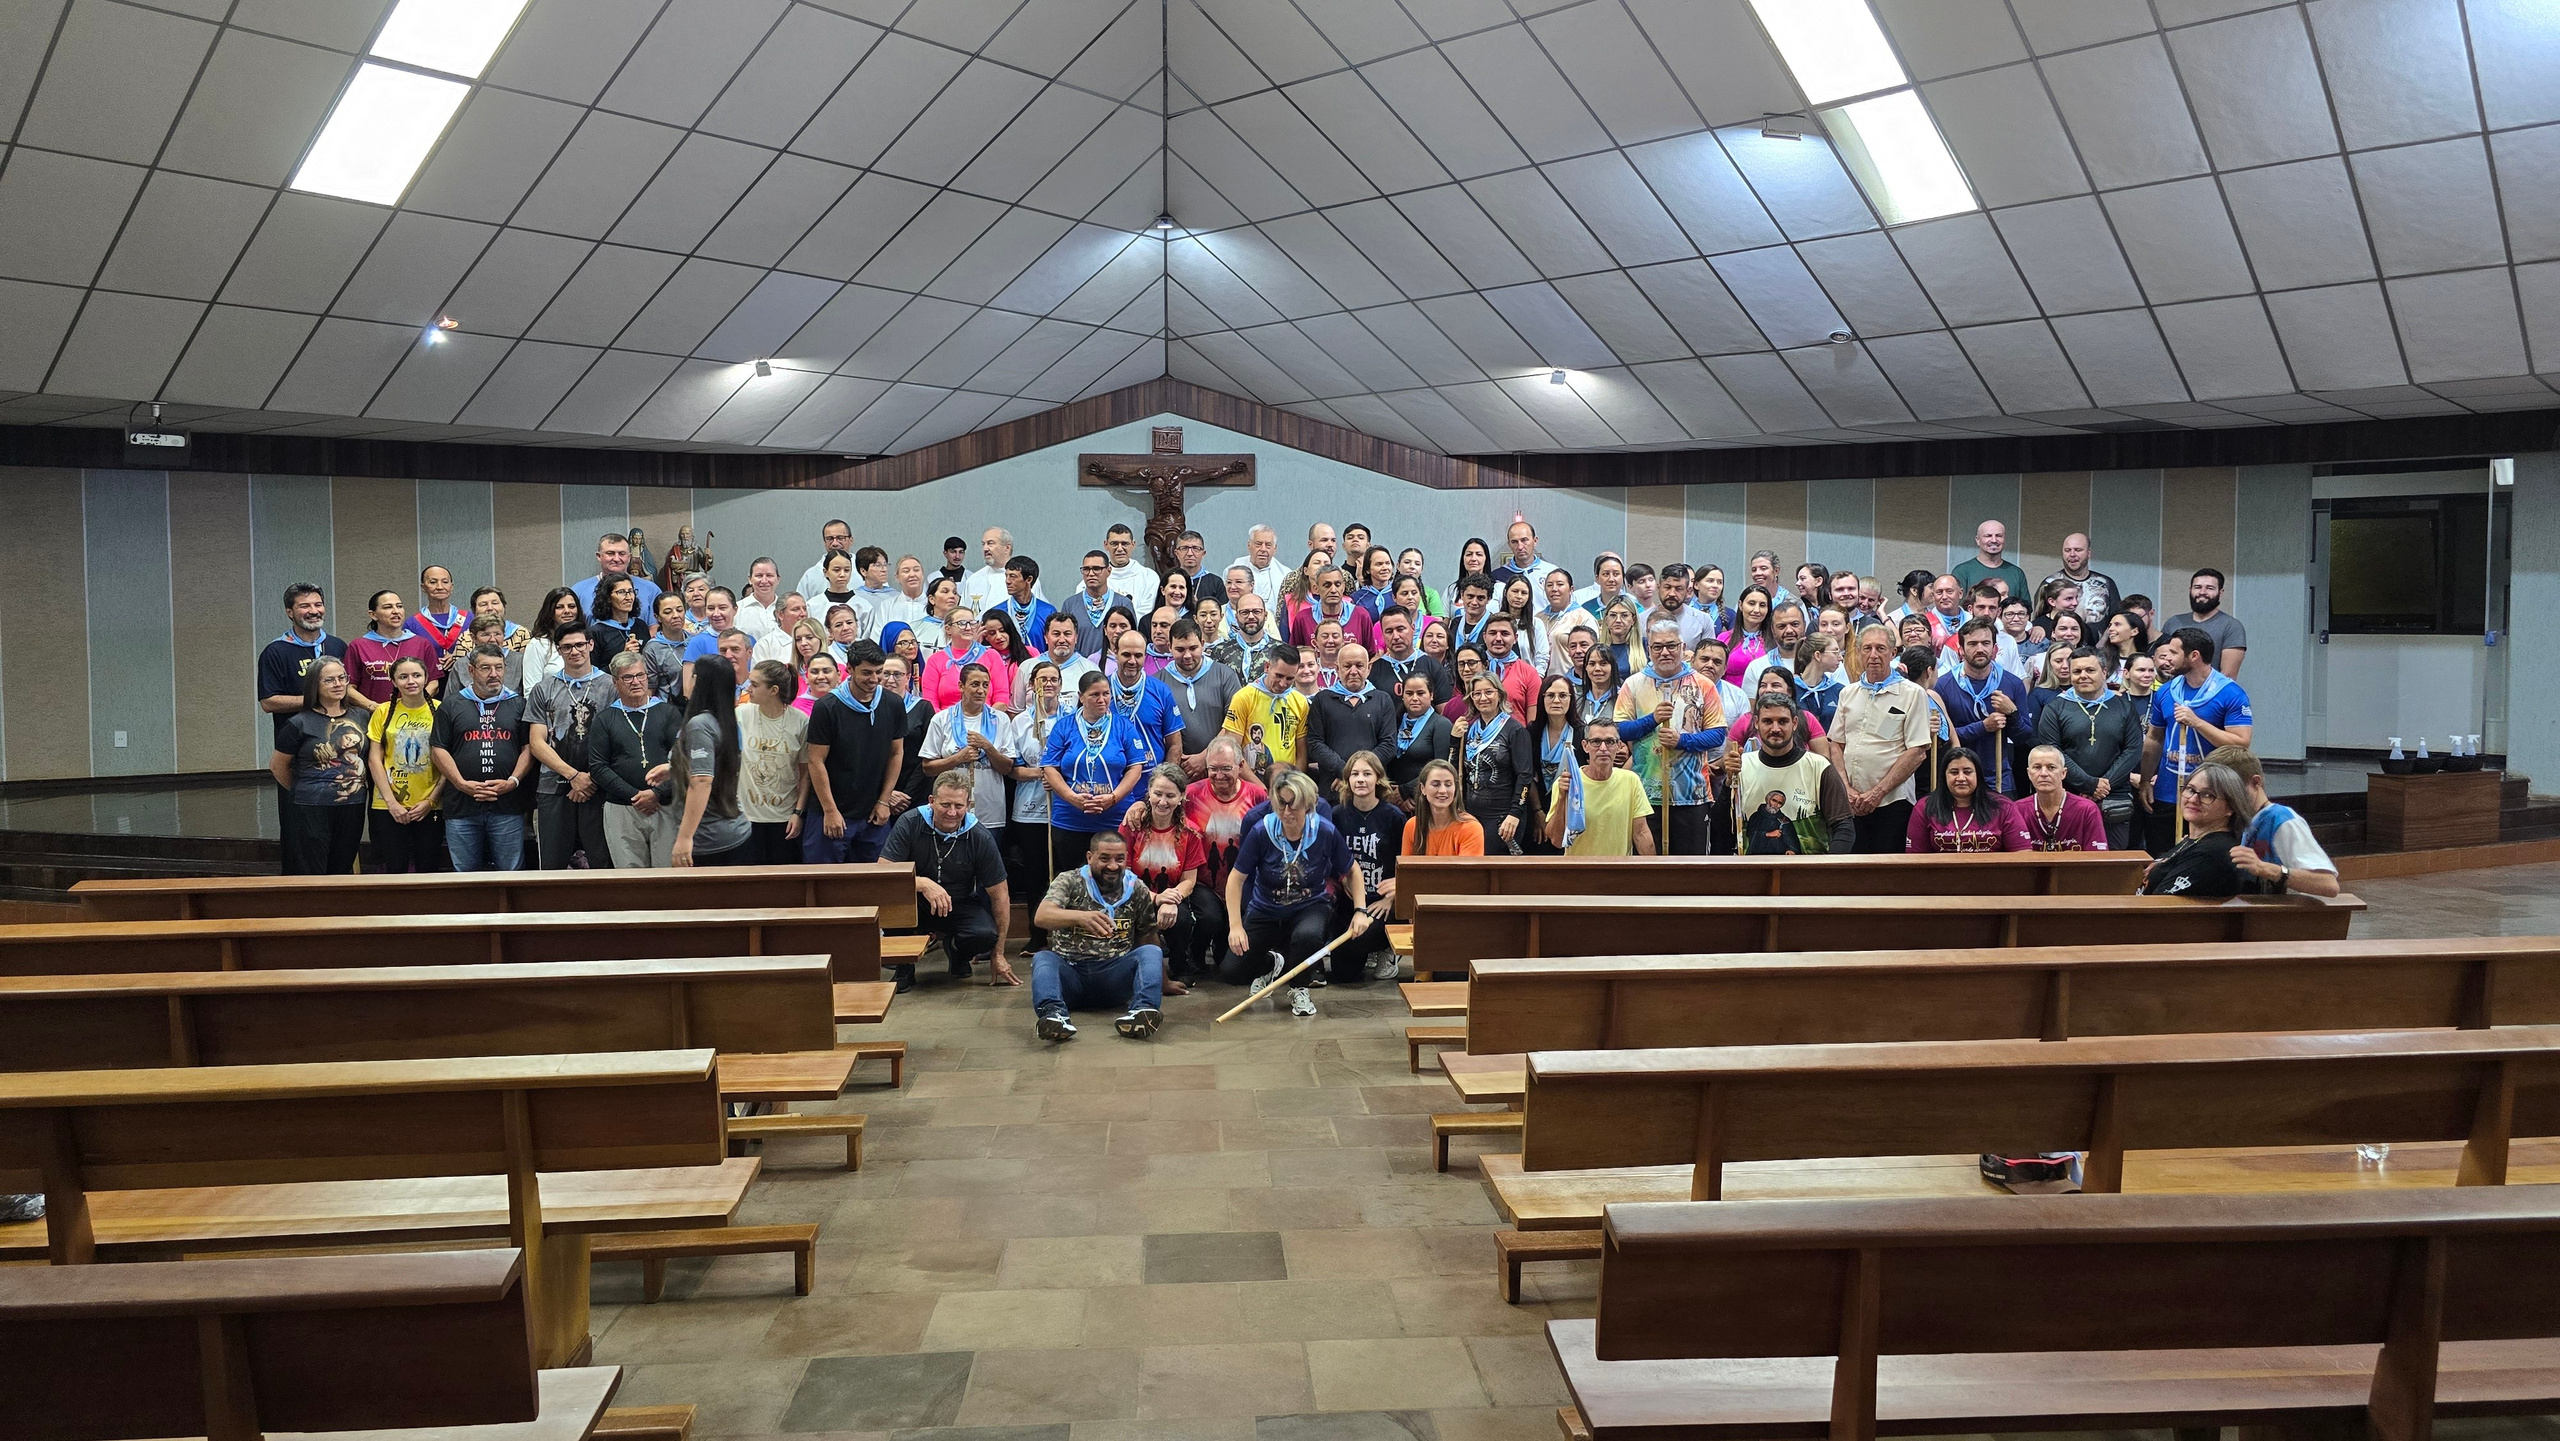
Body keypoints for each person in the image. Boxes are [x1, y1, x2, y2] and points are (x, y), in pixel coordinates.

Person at [1225, 769, 1371, 1010]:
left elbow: (1353, 870)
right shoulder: (1261, 831)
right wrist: (1235, 926)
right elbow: (1236, 879)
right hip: (1266, 908)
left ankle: (1299, 987)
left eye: (1294, 804)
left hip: (1310, 905)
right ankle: (1272, 964)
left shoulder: (1324, 831)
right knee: (1232, 971)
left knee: (1308, 936)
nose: (1286, 811)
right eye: (1281, 803)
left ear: (1308, 804)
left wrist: (1360, 910)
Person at [1030, 829, 1165, 1041]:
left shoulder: (1136, 887)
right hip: (1071, 974)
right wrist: (1080, 917)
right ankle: (1053, 1016)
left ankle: (1142, 1012)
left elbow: (1147, 935)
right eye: (1104, 858)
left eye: (1119, 859)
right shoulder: (1069, 880)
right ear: (1089, 857)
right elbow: (1041, 916)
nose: (1113, 866)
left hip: (1114, 977)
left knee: (1151, 951)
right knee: (1043, 958)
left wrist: (1162, 982)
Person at [887, 770, 1016, 990]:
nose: (952, 812)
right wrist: (922, 884)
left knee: (985, 934)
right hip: (915, 902)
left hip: (960, 902)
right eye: (945, 805)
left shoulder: (979, 836)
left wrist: (999, 953)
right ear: (932, 801)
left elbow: (1000, 895)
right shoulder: (909, 822)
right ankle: (904, 967)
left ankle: (957, 950)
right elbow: (883, 872)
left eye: (959, 806)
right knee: (891, 908)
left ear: (969, 804)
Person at [259, 583, 351, 874]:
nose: (313, 611)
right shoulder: (276, 651)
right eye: (304, 606)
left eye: (317, 604)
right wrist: (315, 700)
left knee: (342, 842)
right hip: (299, 757)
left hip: (339, 758)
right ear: (290, 612)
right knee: (302, 840)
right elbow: (268, 701)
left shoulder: (337, 646)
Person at [1615, 622, 1728, 855]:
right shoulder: (1633, 684)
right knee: (1648, 868)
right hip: (1645, 793)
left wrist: (1681, 741)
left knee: (1691, 868)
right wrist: (1652, 720)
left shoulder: (1703, 685)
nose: (1664, 652)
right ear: (1649, 650)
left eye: (1670, 646)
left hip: (1691, 793)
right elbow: (1621, 730)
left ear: (1683, 646)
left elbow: (1718, 734)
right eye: (1657, 647)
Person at [2140, 628, 2253, 854]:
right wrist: (2144, 780)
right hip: (2167, 792)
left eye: (2173, 652)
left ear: (2194, 656)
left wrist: (2197, 722)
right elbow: (2154, 738)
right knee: (2160, 857)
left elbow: (2241, 743)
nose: (2167, 657)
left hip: (2212, 794)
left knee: (2203, 859)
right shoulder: (2167, 691)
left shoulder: (2229, 693)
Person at [1833, 624, 1935, 853]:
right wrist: (1846, 789)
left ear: (1893, 653)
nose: (1873, 655)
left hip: (1892, 802)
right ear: (1858, 653)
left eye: (1880, 648)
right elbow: (1836, 745)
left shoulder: (1912, 694)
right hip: (1851, 802)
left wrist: (1876, 793)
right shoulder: (1847, 693)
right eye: (1867, 648)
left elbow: (1917, 751)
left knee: (1887, 873)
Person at [431, 644, 531, 871]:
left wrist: (513, 781)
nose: (493, 674)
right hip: (461, 805)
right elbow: (438, 748)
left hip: (508, 804)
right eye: (485, 668)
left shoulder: (519, 704)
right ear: (471, 670)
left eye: (499, 667)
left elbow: (528, 747)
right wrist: (460, 783)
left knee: (511, 872)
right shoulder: (451, 705)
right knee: (464, 873)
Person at [805, 639, 904, 863]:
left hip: (873, 815)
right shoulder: (827, 708)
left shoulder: (892, 704)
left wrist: (884, 800)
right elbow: (815, 761)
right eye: (866, 673)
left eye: (878, 672)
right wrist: (830, 810)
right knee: (824, 887)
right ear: (849, 669)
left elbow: (896, 753)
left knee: (875, 886)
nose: (874, 679)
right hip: (832, 812)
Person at [2033, 648, 2143, 851]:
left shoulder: (2124, 707)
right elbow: (2053, 753)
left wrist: (2104, 785)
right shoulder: (2055, 708)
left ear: (2104, 671)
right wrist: (2089, 784)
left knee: (2112, 862)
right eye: (2077, 671)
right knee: (2070, 858)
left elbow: (2133, 749)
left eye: (2089, 670)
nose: (2082, 676)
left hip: (2114, 797)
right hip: (2069, 795)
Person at [269, 658, 369, 874]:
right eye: (330, 680)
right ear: (315, 684)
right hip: (310, 806)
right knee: (312, 869)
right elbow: (278, 767)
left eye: (342, 678)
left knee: (342, 866)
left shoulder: (362, 716)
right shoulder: (299, 722)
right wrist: (304, 791)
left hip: (352, 803)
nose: (338, 684)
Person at [2204, 744, 2342, 898]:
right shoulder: (2236, 818)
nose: (2225, 798)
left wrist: (2265, 869)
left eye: (2231, 790)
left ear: (2256, 782)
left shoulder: (2282, 820)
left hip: (2265, 917)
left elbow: (2328, 885)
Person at [524, 623, 610, 869]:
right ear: (559, 651)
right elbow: (537, 742)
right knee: (552, 866)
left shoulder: (611, 686)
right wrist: (573, 776)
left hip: (598, 787)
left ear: (590, 645)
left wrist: (589, 779)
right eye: (567, 647)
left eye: (580, 645)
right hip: (553, 787)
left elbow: (617, 740)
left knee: (601, 864)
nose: (574, 651)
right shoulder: (544, 688)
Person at [590, 650, 683, 868]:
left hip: (665, 805)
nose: (636, 682)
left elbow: (682, 761)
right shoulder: (605, 719)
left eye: (640, 675)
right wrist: (636, 796)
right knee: (630, 879)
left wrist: (656, 793)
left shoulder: (668, 713)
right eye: (628, 677)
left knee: (667, 876)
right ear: (615, 682)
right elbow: (598, 767)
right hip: (622, 809)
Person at [1043, 671, 1149, 862]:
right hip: (1070, 819)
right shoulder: (1064, 726)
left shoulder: (1123, 726)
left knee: (1113, 881)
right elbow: (1050, 768)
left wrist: (1113, 798)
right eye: (1094, 694)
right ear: (1081, 696)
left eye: (1106, 693)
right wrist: (1071, 798)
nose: (1102, 699)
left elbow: (1135, 768)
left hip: (1115, 818)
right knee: (1073, 881)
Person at [1119, 765, 1207, 993]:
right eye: (1158, 794)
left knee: (1183, 919)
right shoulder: (1131, 826)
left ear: (1181, 797)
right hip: (1136, 895)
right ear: (1148, 792)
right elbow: (1124, 876)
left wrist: (1171, 900)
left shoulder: (1191, 832)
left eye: (1170, 795)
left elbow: (1189, 880)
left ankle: (1180, 966)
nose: (1163, 801)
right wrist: (1156, 898)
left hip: (1173, 895)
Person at [1732, 692, 1853, 853]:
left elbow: (1844, 828)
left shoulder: (1819, 767)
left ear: (1794, 723)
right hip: (1752, 872)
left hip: (1806, 874)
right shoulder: (1741, 766)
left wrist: (1826, 871)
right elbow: (1725, 828)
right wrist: (1728, 783)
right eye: (1767, 721)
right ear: (1756, 723)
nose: (1775, 729)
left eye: (1783, 721)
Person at [920, 657, 1015, 851]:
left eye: (985, 685)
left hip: (990, 809)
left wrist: (987, 746)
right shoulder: (942, 719)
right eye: (974, 684)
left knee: (987, 869)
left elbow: (1007, 768)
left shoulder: (1000, 720)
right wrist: (958, 758)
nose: (981, 690)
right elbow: (927, 768)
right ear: (961, 686)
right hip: (951, 811)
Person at [667, 655, 752, 869]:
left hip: (709, 840)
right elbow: (715, 763)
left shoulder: (699, 725)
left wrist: (685, 838)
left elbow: (702, 780)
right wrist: (673, 768)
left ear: (698, 681)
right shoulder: (725, 719)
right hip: (734, 833)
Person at [363, 655, 443, 873]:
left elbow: (449, 760)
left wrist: (431, 801)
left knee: (428, 868)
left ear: (426, 678)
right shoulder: (383, 711)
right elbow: (374, 759)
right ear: (394, 681)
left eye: (417, 675)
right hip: (388, 804)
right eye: (403, 676)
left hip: (429, 803)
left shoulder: (441, 710)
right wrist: (392, 804)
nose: (411, 681)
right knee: (394, 867)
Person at [1936, 618, 2031, 801]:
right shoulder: (1944, 685)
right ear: (1961, 651)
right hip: (1958, 778)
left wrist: (2012, 714)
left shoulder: (2012, 683)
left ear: (1995, 650)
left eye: (1986, 643)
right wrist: (1983, 727)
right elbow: (1942, 740)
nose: (1980, 649)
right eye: (1972, 644)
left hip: (1999, 778)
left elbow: (2023, 737)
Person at [1332, 750, 1405, 980]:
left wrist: (1390, 899)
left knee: (1359, 941)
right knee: (1344, 974)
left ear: (1378, 779)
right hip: (1349, 900)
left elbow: (1404, 863)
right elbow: (1330, 858)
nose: (1360, 779)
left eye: (1367, 773)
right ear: (1347, 780)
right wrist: (1342, 878)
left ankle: (1386, 948)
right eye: (1354, 774)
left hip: (1380, 902)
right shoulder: (1337, 815)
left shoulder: (1393, 817)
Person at [1007, 660, 1067, 934]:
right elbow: (1011, 768)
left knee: (1064, 870)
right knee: (1035, 873)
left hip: (1065, 806)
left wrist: (1057, 776)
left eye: (1054, 679)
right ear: (1032, 685)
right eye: (1042, 679)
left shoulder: (1072, 718)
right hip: (1030, 807)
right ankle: (1038, 934)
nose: (1049, 684)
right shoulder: (1019, 722)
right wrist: (1039, 774)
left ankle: (1065, 930)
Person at [1542, 718, 1654, 856]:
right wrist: (1561, 798)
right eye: (1596, 742)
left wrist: (1654, 874)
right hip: (1580, 872)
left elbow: (1641, 833)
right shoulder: (1569, 782)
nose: (1603, 748)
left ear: (1619, 745)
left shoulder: (1631, 781)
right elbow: (1557, 840)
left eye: (1610, 742)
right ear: (1585, 746)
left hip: (1618, 872)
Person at [2139, 761, 2251, 897]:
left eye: (2207, 795)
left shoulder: (2212, 852)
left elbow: (2160, 902)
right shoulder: (2195, 840)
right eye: (2190, 789)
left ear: (2231, 807)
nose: (2193, 799)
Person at [736, 659, 808, 866]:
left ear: (773, 690)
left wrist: (798, 813)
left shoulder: (800, 721)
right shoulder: (741, 714)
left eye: (755, 685)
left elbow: (805, 773)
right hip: (746, 817)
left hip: (784, 819)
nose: (748, 688)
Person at [1452, 672, 1530, 852]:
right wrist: (1454, 740)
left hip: (1503, 817)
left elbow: (1524, 775)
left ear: (1499, 694)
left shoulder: (1514, 730)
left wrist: (1515, 813)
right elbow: (1453, 770)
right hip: (1471, 815)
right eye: (1476, 694)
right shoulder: (1469, 729)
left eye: (1488, 692)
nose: (1483, 698)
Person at [1158, 619, 1240, 783]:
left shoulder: (1225, 675)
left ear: (1202, 644)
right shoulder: (1158, 682)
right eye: (1180, 649)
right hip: (1175, 774)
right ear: (1169, 648)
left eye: (1193, 648)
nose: (1187, 656)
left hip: (1218, 772)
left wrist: (1206, 757)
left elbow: (1234, 724)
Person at [1307, 641, 1392, 794]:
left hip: (1373, 790)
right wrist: (1344, 772)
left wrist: (1358, 774)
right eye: (1347, 666)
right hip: (1333, 787)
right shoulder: (1322, 700)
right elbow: (1315, 743)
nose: (1353, 671)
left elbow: (1389, 744)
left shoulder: (1383, 700)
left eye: (1359, 666)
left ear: (1368, 668)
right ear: (1337, 669)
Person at [1222, 643, 1310, 783]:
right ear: (1267, 667)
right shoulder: (1244, 697)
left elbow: (1301, 753)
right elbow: (1233, 750)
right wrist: (1260, 788)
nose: (1282, 684)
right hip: (1251, 782)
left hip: (1286, 783)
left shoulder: (1300, 701)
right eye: (1279, 676)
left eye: (1289, 679)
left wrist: (1294, 783)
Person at [1105, 630, 1185, 769]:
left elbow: (1175, 744)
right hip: (1112, 782)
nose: (1132, 661)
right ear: (1115, 653)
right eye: (1126, 654)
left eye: (1138, 655)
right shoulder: (1101, 691)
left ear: (1145, 656)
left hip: (1150, 783)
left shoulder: (1161, 691)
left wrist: (1164, 781)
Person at [1522, 673, 1583, 854]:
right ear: (1542, 699)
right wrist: (1538, 812)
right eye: (1550, 695)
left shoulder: (1582, 733)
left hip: (1571, 812)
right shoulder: (1531, 732)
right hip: (1537, 808)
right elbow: (1528, 775)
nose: (1556, 700)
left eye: (1563, 695)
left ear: (1571, 700)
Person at [2008, 744, 2110, 851]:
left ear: (2063, 773)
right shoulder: (2017, 810)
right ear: (2029, 773)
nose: (2043, 773)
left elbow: (2097, 859)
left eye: (2051, 767)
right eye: (2037, 767)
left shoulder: (2087, 810)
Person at [348, 590, 440, 706]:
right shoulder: (358, 646)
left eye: (399, 606)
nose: (396, 611)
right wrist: (373, 707)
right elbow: (349, 688)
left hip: (414, 716)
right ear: (373, 615)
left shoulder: (422, 644)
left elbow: (434, 683)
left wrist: (414, 703)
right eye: (387, 607)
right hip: (372, 716)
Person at [2164, 568, 2248, 677]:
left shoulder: (2231, 626)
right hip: (2172, 691)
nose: (2202, 592)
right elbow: (2162, 661)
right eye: (2197, 587)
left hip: (2211, 692)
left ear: (2220, 592)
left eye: (2210, 588)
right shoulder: (2173, 623)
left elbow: (2228, 675)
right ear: (2190, 590)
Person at [1382, 670, 1453, 799]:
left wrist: (1406, 792)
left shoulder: (1441, 725)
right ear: (1402, 695)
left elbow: (1441, 767)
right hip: (1391, 798)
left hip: (1423, 799)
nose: (1414, 698)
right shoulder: (1393, 722)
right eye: (1409, 693)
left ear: (1431, 695)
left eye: (1420, 693)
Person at [1402, 757, 1484, 858]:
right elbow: (1406, 871)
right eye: (1436, 784)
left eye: (1448, 784)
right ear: (1423, 789)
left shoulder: (1470, 827)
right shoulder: (1412, 825)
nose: (1442, 790)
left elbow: (1466, 873)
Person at [569, 532, 661, 620]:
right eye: (610, 553)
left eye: (622, 554)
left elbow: (655, 627)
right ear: (598, 556)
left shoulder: (651, 590)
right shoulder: (579, 591)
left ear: (629, 557)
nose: (617, 559)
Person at [2045, 532, 2121, 626]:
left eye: (2078, 550)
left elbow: (2117, 620)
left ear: (2088, 553)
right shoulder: (2049, 583)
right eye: (2067, 550)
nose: (2072, 554)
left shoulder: (2106, 584)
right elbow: (2040, 621)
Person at [1211, 588, 1281, 681]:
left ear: (1265, 615)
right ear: (1236, 617)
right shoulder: (1220, 651)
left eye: (1257, 611)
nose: (1251, 616)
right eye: (1245, 612)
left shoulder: (1281, 651)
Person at [1953, 519, 2028, 601]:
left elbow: (2025, 608)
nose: (1994, 540)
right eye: (1988, 536)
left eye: (1999, 536)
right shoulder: (1962, 571)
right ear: (1977, 540)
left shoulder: (2016, 573)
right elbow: (1957, 608)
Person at [522, 586, 584, 685]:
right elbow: (531, 689)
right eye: (559, 607)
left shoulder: (586, 640)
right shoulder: (538, 644)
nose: (567, 611)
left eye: (571, 606)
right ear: (550, 611)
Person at [408, 565, 468, 655]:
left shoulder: (468, 619)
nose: (440, 587)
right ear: (423, 588)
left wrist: (458, 658)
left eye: (445, 582)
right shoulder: (412, 624)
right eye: (433, 582)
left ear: (452, 587)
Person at [589, 575, 652, 662]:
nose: (629, 598)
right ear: (607, 598)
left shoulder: (640, 625)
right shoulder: (597, 632)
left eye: (631, 591)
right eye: (621, 592)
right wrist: (623, 658)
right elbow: (593, 671)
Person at [642, 593, 689, 700]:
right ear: (657, 617)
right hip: (669, 707)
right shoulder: (652, 648)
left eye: (680, 610)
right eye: (668, 612)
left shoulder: (695, 640)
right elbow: (650, 688)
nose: (676, 615)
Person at [1489, 518, 1556, 593]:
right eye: (1514, 542)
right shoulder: (1498, 577)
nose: (1520, 547)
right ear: (1509, 545)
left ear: (1535, 541)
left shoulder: (1552, 573)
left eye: (1524, 540)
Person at [1232, 523, 1288, 610]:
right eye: (1258, 544)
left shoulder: (1285, 574)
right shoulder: (1233, 571)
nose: (1263, 549)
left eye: (1268, 545)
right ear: (1249, 546)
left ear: (1275, 549)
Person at [1171, 530, 1228, 607]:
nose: (1190, 553)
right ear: (1176, 553)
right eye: (1184, 548)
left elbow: (1222, 611)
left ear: (1203, 553)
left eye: (1195, 548)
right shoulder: (1169, 580)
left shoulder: (1215, 582)